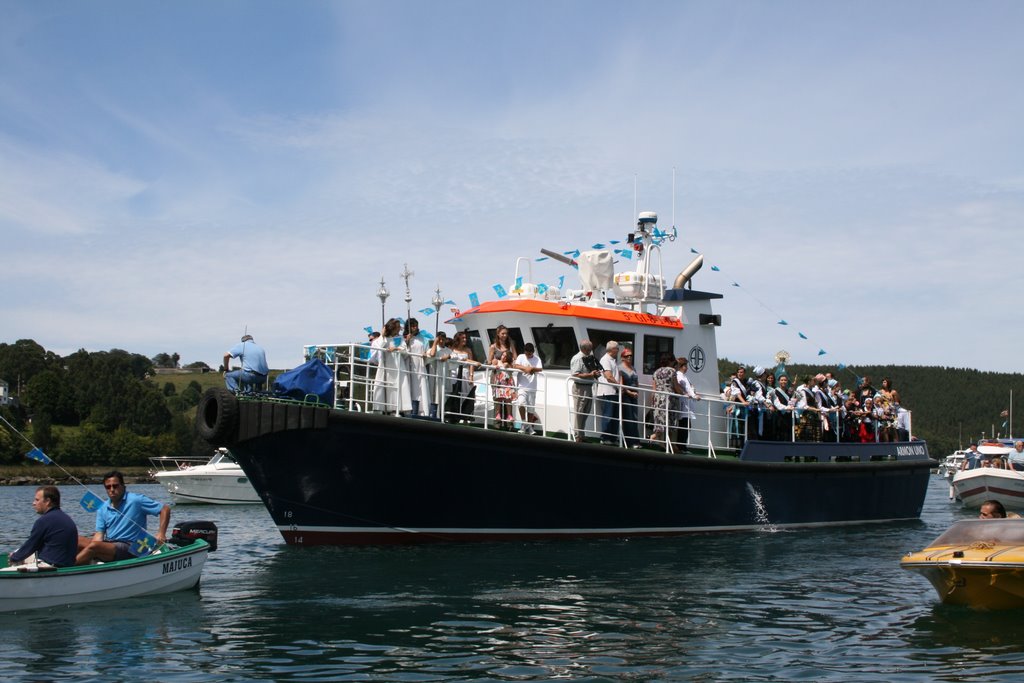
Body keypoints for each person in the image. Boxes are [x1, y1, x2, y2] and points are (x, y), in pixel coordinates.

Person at [77, 471, 170, 565]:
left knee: (95, 547)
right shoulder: (103, 508)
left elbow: (164, 509)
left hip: (132, 547)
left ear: (123, 486)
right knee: (76, 540)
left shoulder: (136, 500)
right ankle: (74, 566)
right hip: (111, 545)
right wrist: (91, 547)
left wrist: (161, 533)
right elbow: (99, 535)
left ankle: (67, 570)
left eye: (115, 486)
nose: (112, 489)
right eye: (108, 487)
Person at [8, 485, 78, 568]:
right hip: (67, 564)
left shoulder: (44, 521)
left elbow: (31, 545)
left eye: (37, 500)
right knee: (19, 553)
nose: (33, 503)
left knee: (15, 557)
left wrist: (14, 557)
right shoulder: (66, 518)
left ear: (47, 501)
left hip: (50, 565)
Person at [370, 318, 412, 415]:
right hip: (385, 366)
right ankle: (380, 407)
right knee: (383, 385)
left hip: (397, 366)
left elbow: (405, 351)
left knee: (398, 385)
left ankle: (397, 408)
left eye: (399, 328)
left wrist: (396, 348)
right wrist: (382, 335)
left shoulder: (399, 338)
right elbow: (378, 347)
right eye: (396, 328)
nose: (398, 330)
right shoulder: (381, 339)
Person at [569, 340, 601, 442]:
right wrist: (590, 375)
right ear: (584, 349)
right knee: (579, 412)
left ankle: (581, 435)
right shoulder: (578, 358)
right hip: (580, 388)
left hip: (588, 387)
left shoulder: (588, 357)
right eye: (589, 349)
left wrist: (595, 374)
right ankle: (577, 436)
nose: (591, 351)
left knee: (585, 412)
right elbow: (575, 375)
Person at [445, 331, 478, 423]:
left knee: (466, 394)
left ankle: (466, 417)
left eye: (465, 338)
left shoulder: (468, 350)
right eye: (463, 338)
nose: (465, 339)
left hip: (465, 373)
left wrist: (471, 376)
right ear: (458, 339)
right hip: (455, 373)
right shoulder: (453, 349)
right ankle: (454, 415)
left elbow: (471, 364)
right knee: (456, 393)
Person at [650, 355, 681, 447]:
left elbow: (654, 389)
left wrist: (652, 402)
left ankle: (661, 442)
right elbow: (676, 386)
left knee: (660, 419)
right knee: (670, 420)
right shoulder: (672, 371)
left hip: (658, 398)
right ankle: (665, 441)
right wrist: (682, 393)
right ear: (670, 362)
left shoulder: (656, 372)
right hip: (669, 398)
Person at [595, 341, 622, 445]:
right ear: (612, 350)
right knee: (608, 415)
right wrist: (619, 386)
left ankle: (612, 438)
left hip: (613, 391)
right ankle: (605, 437)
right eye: (617, 349)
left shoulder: (613, 360)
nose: (618, 351)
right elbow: (608, 376)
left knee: (615, 416)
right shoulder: (605, 359)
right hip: (607, 392)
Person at [513, 342, 543, 434]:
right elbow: (516, 365)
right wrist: (525, 368)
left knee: (530, 408)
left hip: (532, 387)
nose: (529, 355)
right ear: (525, 351)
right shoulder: (521, 357)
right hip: (521, 386)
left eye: (530, 353)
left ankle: (529, 427)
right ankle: (524, 423)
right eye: (527, 353)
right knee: (521, 403)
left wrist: (532, 369)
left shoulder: (537, 358)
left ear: (533, 352)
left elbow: (540, 369)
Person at [403, 318, 430, 416]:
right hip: (408, 364)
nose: (415, 327)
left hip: (420, 365)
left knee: (420, 386)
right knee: (409, 385)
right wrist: (406, 341)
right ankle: (408, 409)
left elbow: (427, 349)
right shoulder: (404, 338)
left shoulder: (422, 338)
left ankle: (422, 410)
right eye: (413, 326)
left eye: (416, 325)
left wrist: (425, 354)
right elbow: (402, 350)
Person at [674, 356, 700, 452]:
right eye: (685, 366)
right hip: (683, 403)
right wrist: (693, 395)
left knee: (686, 425)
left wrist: (693, 393)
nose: (687, 368)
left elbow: (690, 387)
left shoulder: (684, 376)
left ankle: (682, 446)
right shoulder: (679, 375)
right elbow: (683, 386)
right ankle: (681, 446)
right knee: (684, 426)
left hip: (687, 403)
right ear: (681, 366)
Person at [425, 331, 451, 418]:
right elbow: (432, 354)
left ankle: (441, 415)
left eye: (443, 339)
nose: (441, 341)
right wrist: (435, 343)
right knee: (433, 395)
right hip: (434, 377)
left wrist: (448, 356)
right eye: (439, 339)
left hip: (443, 377)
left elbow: (458, 356)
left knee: (443, 397)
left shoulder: (448, 350)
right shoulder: (433, 348)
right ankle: (432, 414)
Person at [619, 348, 642, 448]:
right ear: (622, 358)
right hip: (626, 396)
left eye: (630, 356)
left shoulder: (633, 368)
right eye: (626, 356)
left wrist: (637, 390)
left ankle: (636, 441)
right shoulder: (620, 368)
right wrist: (630, 393)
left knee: (635, 418)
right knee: (628, 418)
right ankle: (629, 443)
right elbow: (621, 384)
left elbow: (636, 382)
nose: (629, 357)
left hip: (634, 396)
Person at [491, 350, 517, 428]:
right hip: (499, 383)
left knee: (508, 400)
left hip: (507, 383)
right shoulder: (497, 361)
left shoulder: (509, 364)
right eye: (503, 355)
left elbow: (512, 367)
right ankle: (498, 415)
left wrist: (508, 365)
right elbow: (492, 364)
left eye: (506, 356)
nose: (503, 357)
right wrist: (495, 366)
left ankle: (509, 415)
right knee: (498, 399)